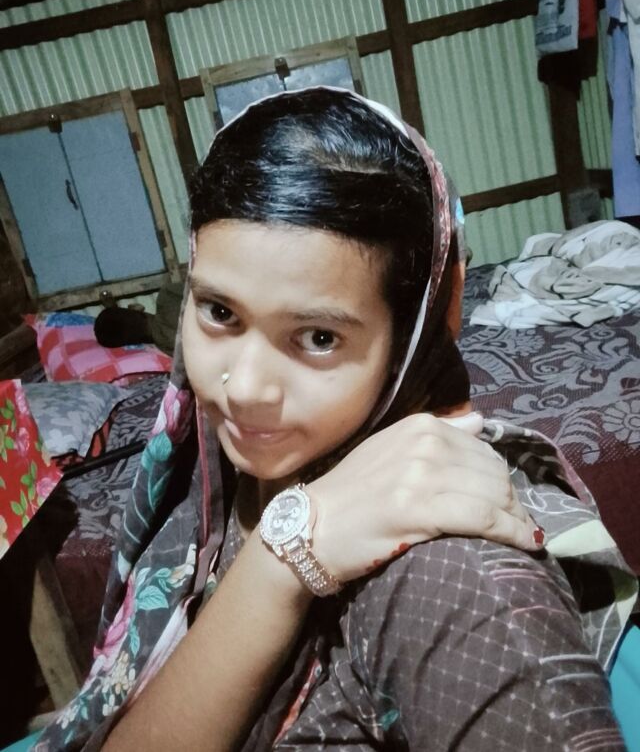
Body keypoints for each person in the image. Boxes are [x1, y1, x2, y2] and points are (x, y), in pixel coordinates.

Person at [36, 89, 634, 751]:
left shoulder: (462, 588)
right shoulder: (222, 469)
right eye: (220, 312)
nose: (246, 390)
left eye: (318, 337)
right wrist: (284, 556)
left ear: (425, 327)